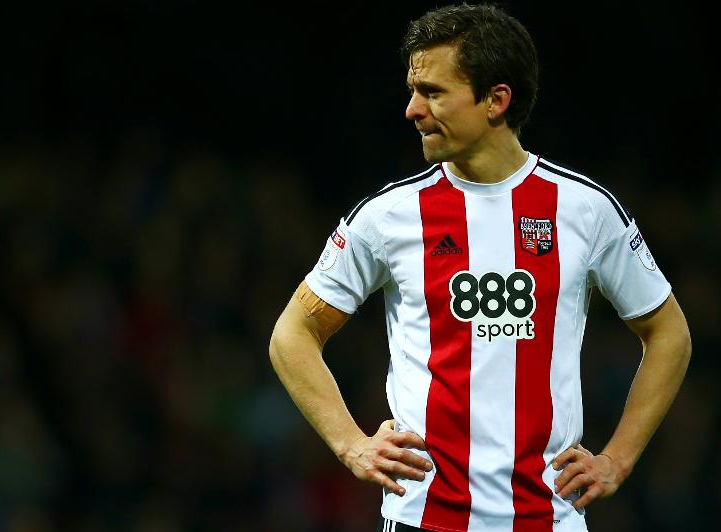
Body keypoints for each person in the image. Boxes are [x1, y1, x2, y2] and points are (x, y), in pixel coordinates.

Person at [269, 4, 691, 531]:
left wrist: (618, 459)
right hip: (423, 518)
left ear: (496, 100)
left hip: (548, 518)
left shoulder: (584, 210)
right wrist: (350, 444)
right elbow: (293, 334)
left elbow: (669, 332)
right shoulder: (389, 216)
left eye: (432, 92)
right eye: (413, 90)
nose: (412, 110)